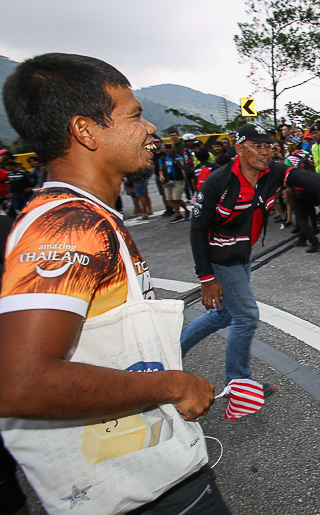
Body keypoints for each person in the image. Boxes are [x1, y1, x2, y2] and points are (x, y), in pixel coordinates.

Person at [0, 53, 227, 514]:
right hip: (141, 494)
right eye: (135, 115)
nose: (151, 130)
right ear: (85, 131)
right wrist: (173, 385)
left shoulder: (85, 215)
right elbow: (21, 381)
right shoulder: (69, 226)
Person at [181, 123, 320, 388]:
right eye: (257, 146)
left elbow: (309, 179)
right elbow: (197, 230)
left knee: (224, 315)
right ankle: (239, 385)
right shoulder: (218, 182)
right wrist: (205, 277)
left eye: (268, 146)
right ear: (239, 149)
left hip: (243, 255)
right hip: (221, 258)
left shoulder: (272, 171)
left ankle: (171, 352)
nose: (265, 152)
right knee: (246, 316)